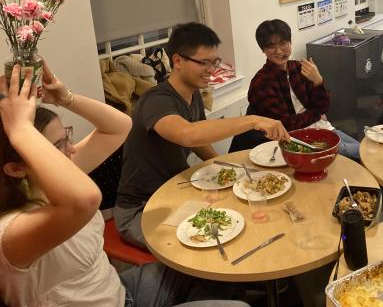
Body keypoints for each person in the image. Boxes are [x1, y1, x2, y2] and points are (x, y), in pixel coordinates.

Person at [0, 64, 247, 307]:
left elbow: (119, 127)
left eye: (67, 137)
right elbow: (85, 200)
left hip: (119, 290)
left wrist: (66, 99)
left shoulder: (57, 177)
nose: (71, 149)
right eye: (58, 146)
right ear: (15, 168)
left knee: (219, 261)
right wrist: (20, 129)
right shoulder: (11, 231)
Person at [115, 22, 289, 248]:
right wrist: (253, 120)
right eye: (203, 63)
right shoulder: (156, 101)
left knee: (245, 218)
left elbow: (200, 139)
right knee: (210, 243)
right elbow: (188, 135)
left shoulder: (193, 94)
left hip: (175, 194)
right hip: (142, 207)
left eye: (214, 62)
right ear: (177, 61)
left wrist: (225, 169)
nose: (212, 70)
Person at [248, 19, 360, 160]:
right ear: (263, 49)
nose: (278, 51)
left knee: (365, 148)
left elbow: (324, 107)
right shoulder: (261, 83)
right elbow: (286, 124)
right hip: (299, 142)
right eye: (271, 46)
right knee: (365, 152)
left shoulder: (299, 68)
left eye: (283, 43)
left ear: (290, 43)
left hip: (324, 129)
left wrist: (318, 80)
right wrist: (316, 114)